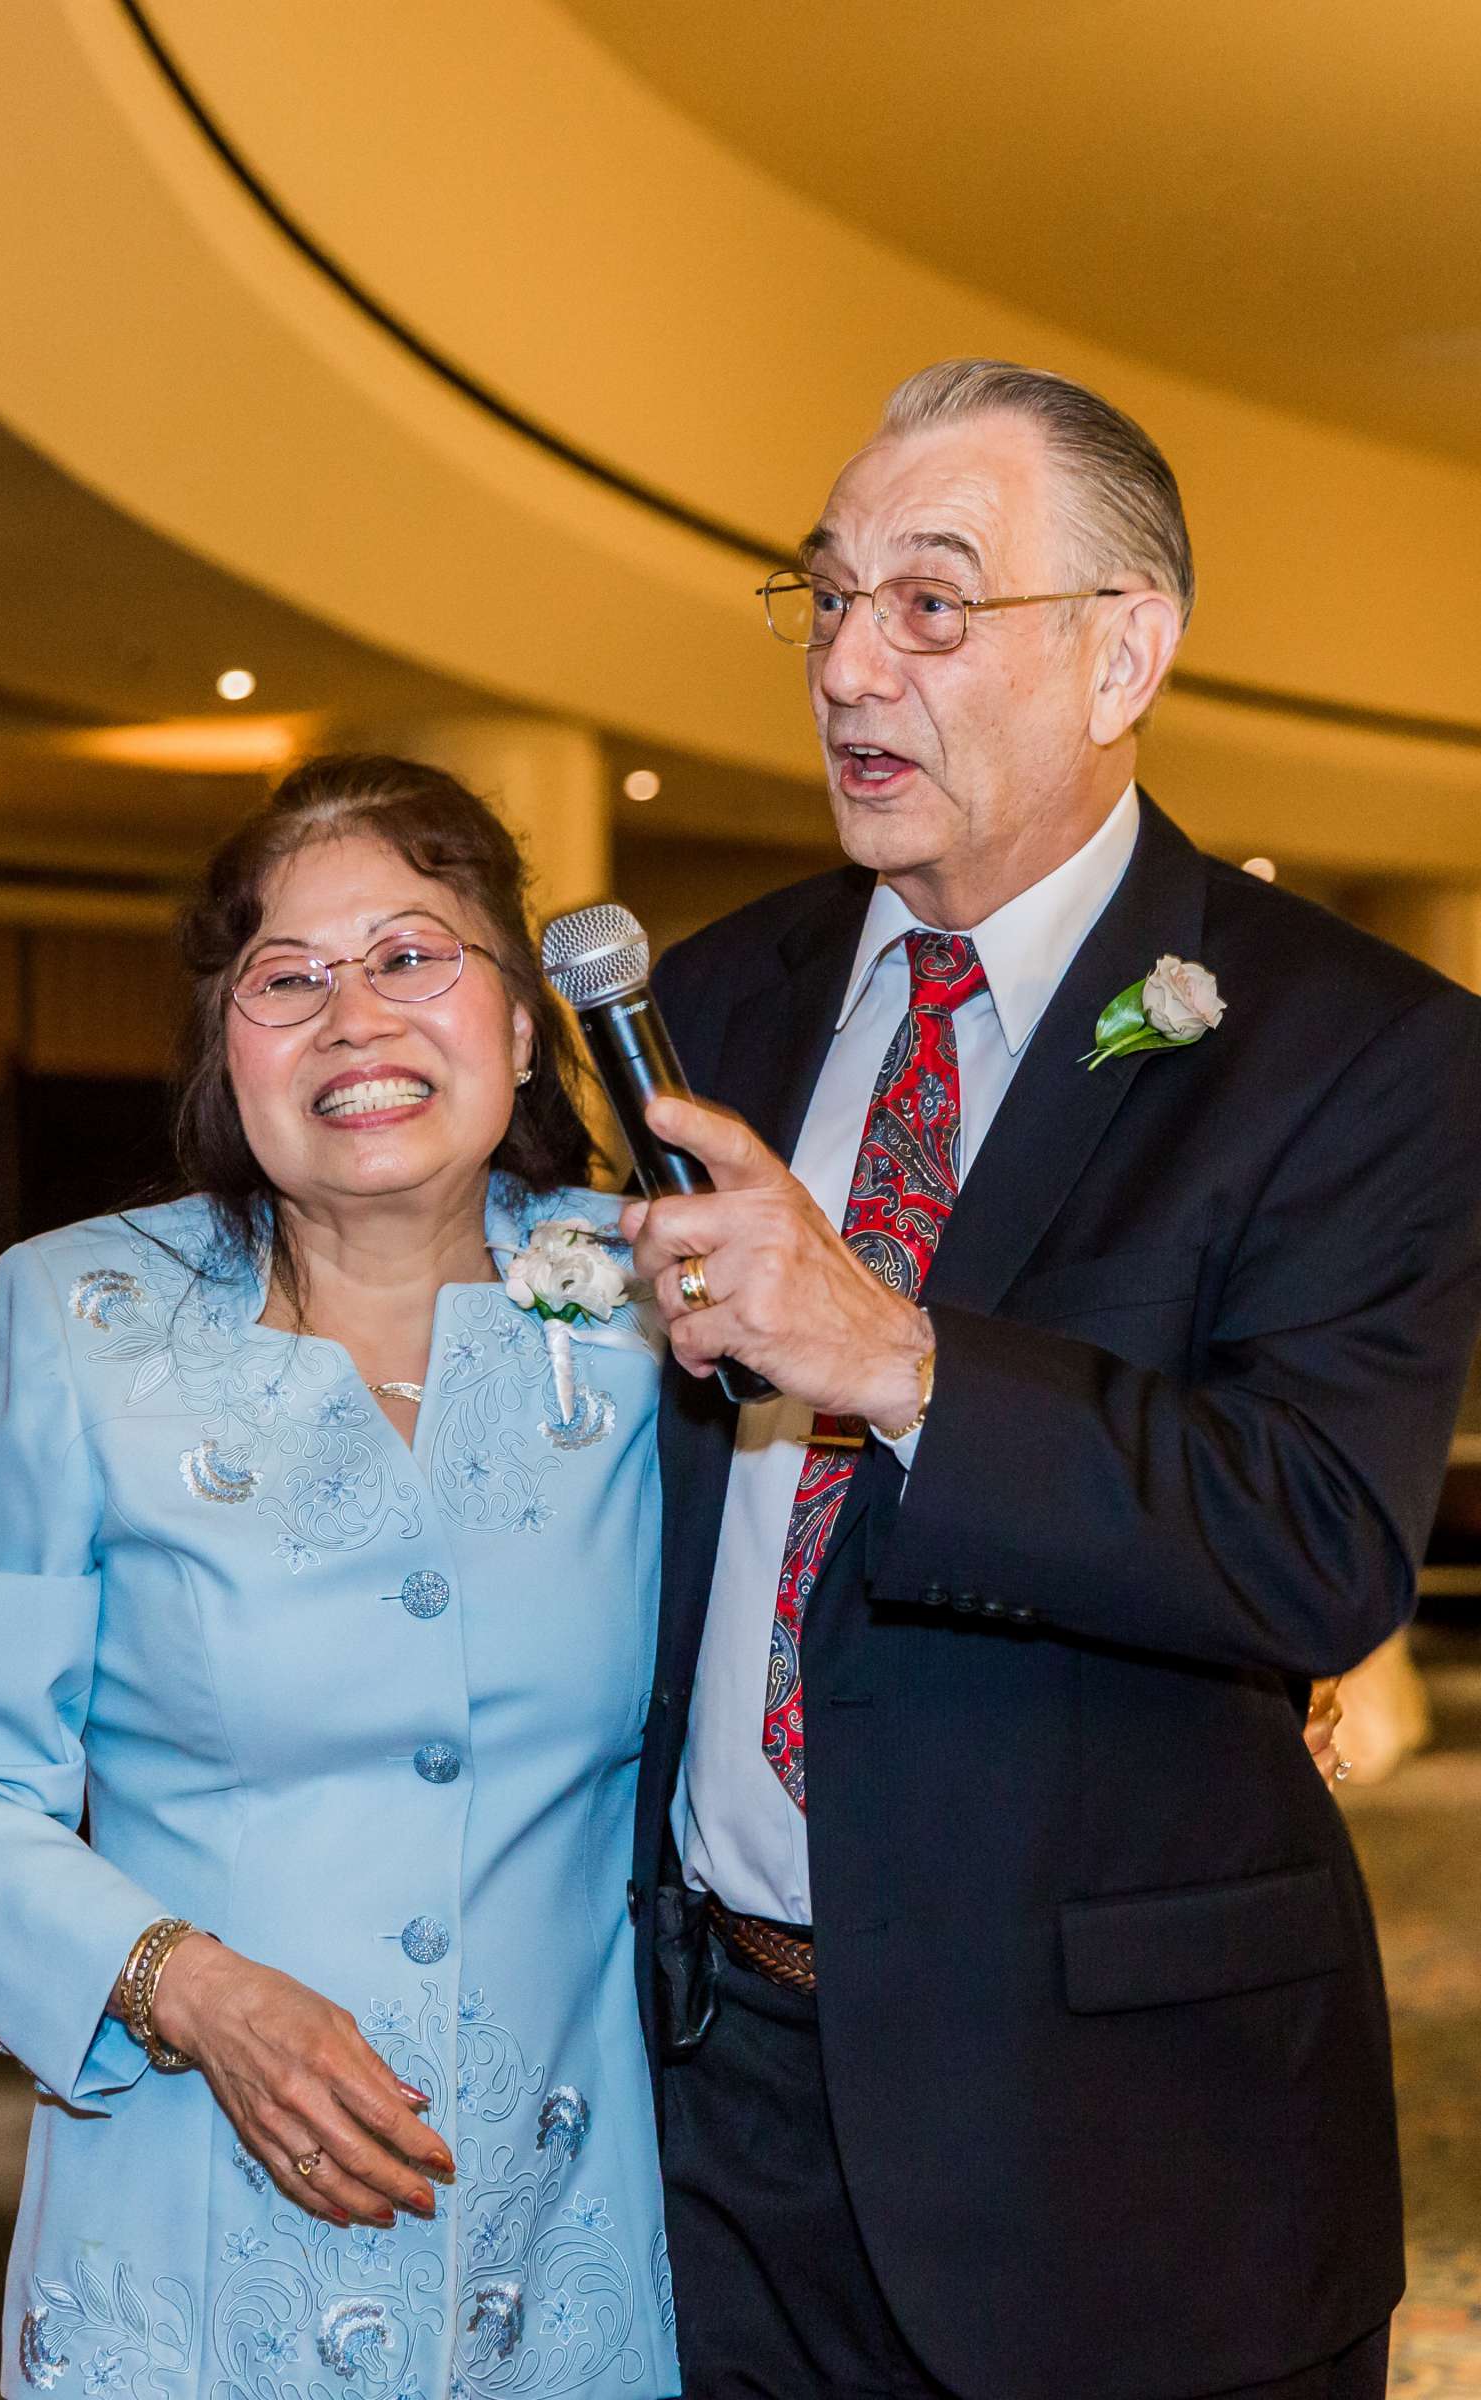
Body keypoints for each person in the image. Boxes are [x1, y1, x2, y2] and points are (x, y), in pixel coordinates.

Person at [624, 360, 1481, 2400]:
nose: (844, 664)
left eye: (928, 602)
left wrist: (897, 1362)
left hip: (1116, 2142)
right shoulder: (709, 1000)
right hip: (707, 2104)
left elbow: (1311, 1541)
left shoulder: (1353, 1053)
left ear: (1123, 652)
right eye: (819, 597)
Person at [0, 756, 680, 2400]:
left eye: (411, 957)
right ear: (227, 1052)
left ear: (525, 1025)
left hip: (561, 2237)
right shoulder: (75, 1318)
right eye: (288, 981)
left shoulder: (660, 1302)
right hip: (184, 2221)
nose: (354, 1019)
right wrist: (191, 1988)